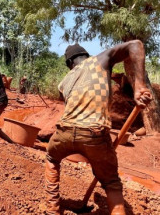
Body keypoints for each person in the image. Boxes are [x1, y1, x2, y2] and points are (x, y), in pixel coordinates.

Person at [45, 41, 152, 215]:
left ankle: (52, 209)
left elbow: (70, 107)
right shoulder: (100, 60)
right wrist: (139, 86)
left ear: (70, 63)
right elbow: (136, 44)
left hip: (64, 133)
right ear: (85, 56)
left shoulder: (65, 81)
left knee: (51, 158)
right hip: (95, 135)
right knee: (111, 183)